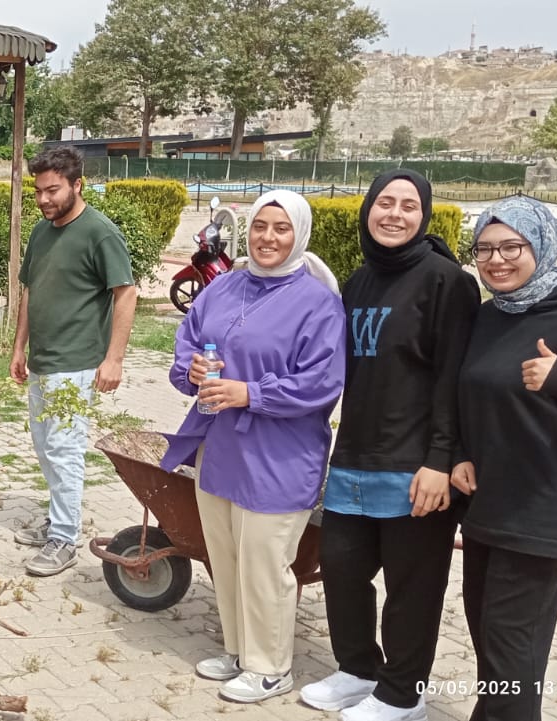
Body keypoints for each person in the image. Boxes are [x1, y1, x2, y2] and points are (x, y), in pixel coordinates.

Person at [300, 171, 479, 721]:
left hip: (416, 468)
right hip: (354, 457)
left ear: (424, 215)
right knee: (343, 571)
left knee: (412, 588)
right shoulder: (358, 281)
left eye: (408, 205)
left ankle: (404, 693)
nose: (394, 214)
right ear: (368, 210)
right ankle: (358, 669)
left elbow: (456, 377)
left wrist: (439, 460)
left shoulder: (448, 282)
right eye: (384, 203)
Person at [163, 189, 346, 704]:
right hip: (219, 447)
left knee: (264, 561)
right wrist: (191, 368)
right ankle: (241, 650)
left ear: (299, 236)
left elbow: (322, 383)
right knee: (226, 555)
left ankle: (271, 667)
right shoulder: (224, 288)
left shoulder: (318, 303)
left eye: (281, 228)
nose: (268, 237)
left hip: (279, 454)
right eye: (260, 226)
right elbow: (189, 341)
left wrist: (251, 393)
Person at [451, 197, 557, 721]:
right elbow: (463, 397)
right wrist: (458, 455)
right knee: (490, 634)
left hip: (542, 508)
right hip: (488, 505)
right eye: (485, 249)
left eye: (512, 247)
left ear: (540, 246)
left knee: (509, 644)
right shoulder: (487, 316)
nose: (497, 260)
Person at [8, 146, 137, 577]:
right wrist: (19, 346)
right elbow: (30, 290)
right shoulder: (42, 232)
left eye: (53, 190)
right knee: (46, 448)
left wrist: (113, 359)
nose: (44, 199)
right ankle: (57, 521)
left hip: (77, 363)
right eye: (39, 191)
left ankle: (64, 538)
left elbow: (126, 292)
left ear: (77, 185)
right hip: (43, 360)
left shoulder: (99, 232)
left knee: (64, 452)